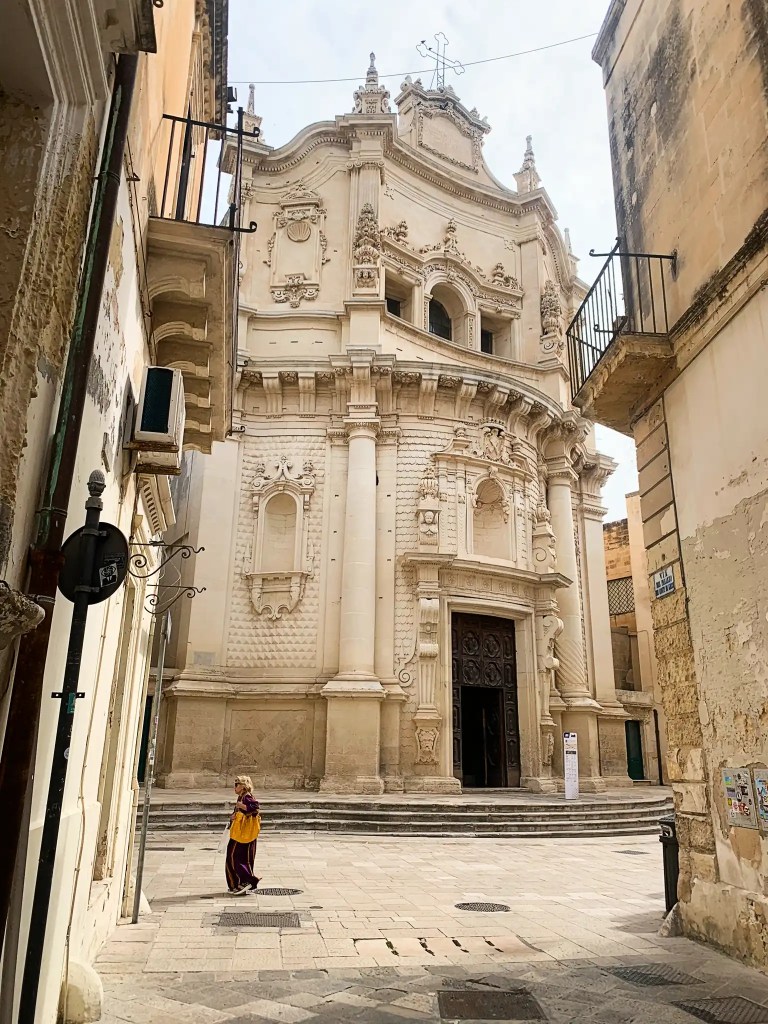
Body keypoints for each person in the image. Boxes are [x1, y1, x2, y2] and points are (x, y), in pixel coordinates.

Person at [225, 775, 261, 894]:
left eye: (237, 785)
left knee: (234, 856)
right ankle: (236, 884)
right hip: (239, 832)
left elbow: (255, 807)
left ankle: (247, 881)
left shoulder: (247, 797)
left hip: (243, 834)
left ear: (244, 787)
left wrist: (242, 807)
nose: (234, 787)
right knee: (234, 857)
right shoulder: (241, 797)